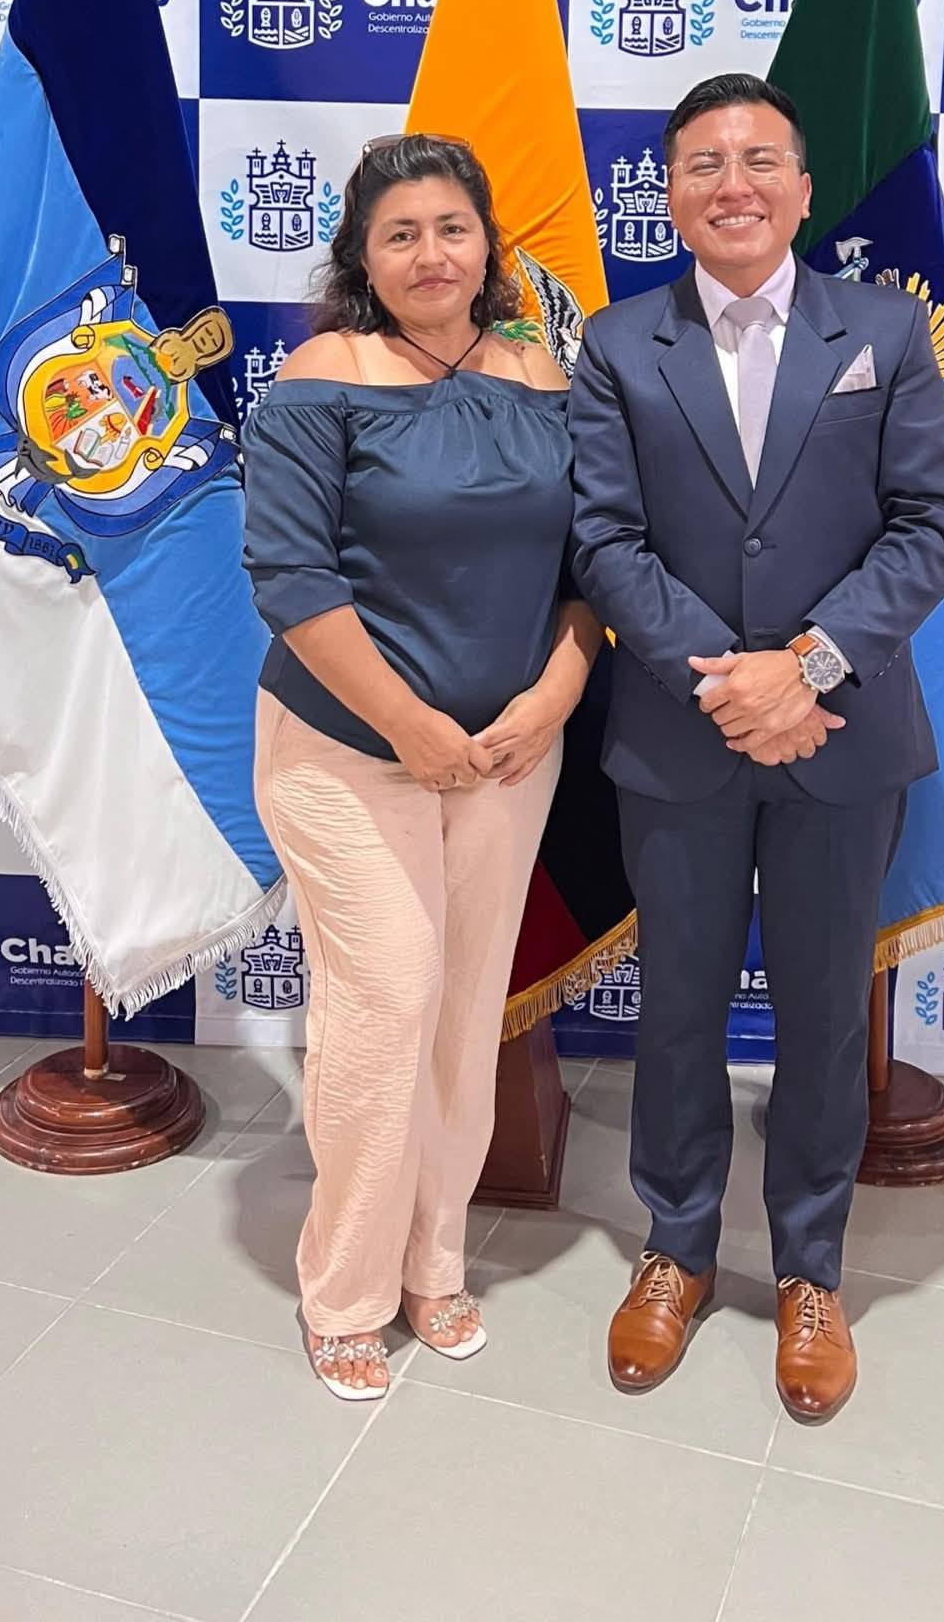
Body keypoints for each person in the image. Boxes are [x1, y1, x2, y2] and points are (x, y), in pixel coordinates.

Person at [568, 73, 944, 1422]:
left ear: (801, 188)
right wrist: (729, 682)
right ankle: (675, 1247)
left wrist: (805, 667)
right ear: (669, 193)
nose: (730, 184)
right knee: (678, 1009)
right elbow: (604, 538)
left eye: (757, 161)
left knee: (820, 1009)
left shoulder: (885, 331)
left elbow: (931, 521)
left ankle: (809, 1269)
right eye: (702, 163)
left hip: (838, 733)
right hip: (679, 742)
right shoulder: (619, 343)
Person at [241, 133, 600, 1401]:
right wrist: (408, 725)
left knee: (464, 1012)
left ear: (489, 245)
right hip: (349, 754)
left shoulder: (541, 374)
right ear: (362, 256)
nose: (431, 254)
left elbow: (591, 569)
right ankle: (343, 1292)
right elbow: (291, 579)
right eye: (400, 234)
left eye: (453, 227)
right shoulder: (319, 379)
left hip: (509, 756)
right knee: (386, 1004)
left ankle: (433, 1264)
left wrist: (554, 696)